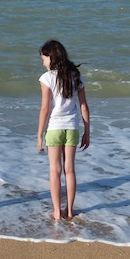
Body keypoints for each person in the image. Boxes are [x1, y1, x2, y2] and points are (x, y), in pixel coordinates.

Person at [37, 40, 90, 220]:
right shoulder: (76, 75)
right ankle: (69, 211)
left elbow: (45, 108)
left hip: (54, 128)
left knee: (55, 170)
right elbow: (83, 105)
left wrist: (39, 135)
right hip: (72, 127)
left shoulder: (47, 78)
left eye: (44, 59)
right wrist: (87, 131)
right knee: (70, 170)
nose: (43, 63)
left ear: (51, 57)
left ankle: (57, 212)